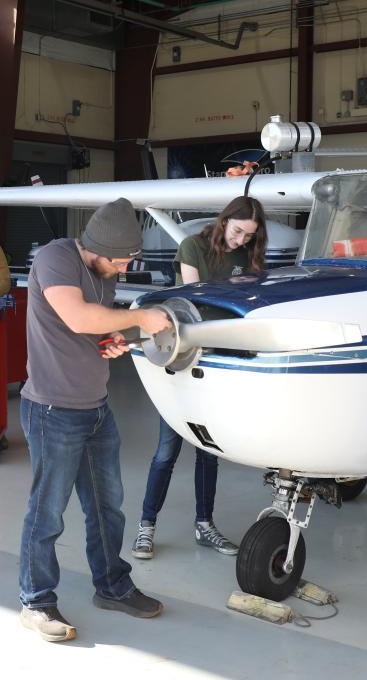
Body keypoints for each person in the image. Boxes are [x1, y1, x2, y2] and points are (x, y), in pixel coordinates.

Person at [18, 198, 173, 643]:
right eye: (122, 262)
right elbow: (77, 315)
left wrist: (111, 339)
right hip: (52, 410)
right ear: (100, 251)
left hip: (96, 408)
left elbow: (92, 327)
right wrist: (141, 317)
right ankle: (36, 600)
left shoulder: (103, 270)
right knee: (47, 512)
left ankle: (112, 586)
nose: (123, 270)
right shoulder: (54, 258)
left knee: (107, 508)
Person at [132, 195, 268, 559]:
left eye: (249, 236)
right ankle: (146, 527)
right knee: (166, 451)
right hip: (183, 359)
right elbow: (194, 300)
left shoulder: (249, 257)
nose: (241, 241)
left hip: (219, 365)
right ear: (225, 221)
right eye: (238, 231)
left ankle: (204, 525)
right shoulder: (193, 246)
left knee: (209, 451)